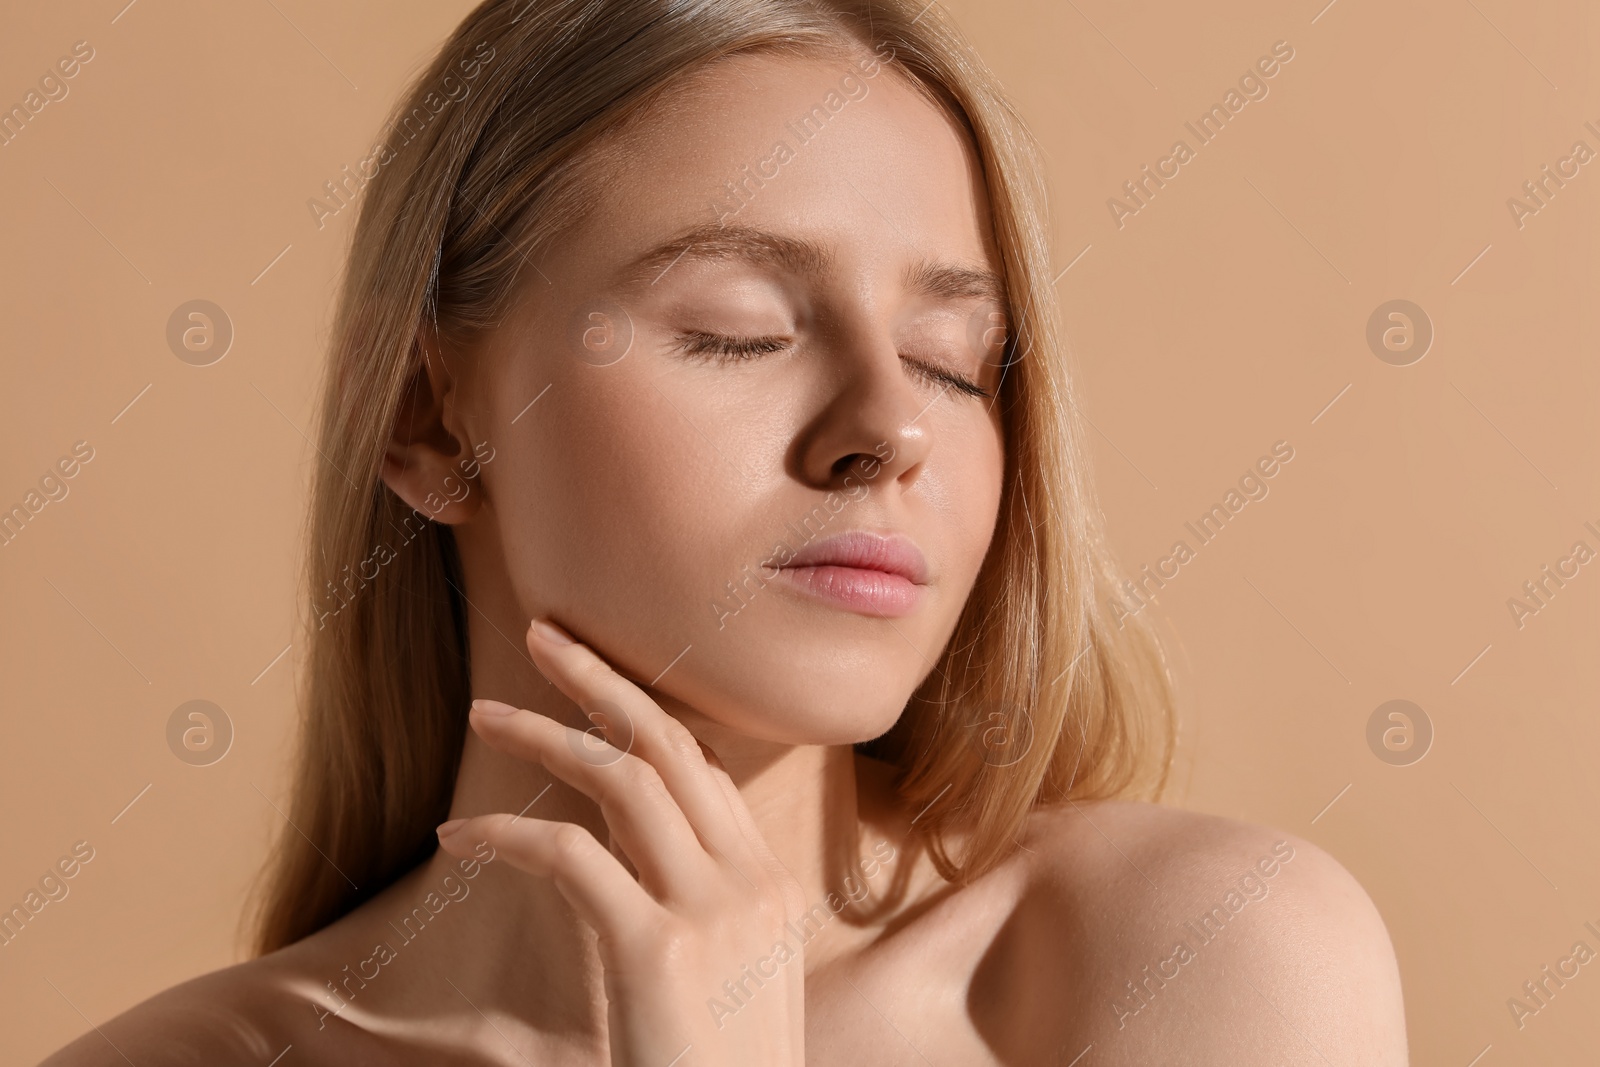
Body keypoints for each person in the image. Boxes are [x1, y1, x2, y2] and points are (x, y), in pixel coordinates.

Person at [41, 0, 1407, 1062]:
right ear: (431, 419)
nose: (892, 425)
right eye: (737, 331)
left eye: (952, 357)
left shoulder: (1201, 963)